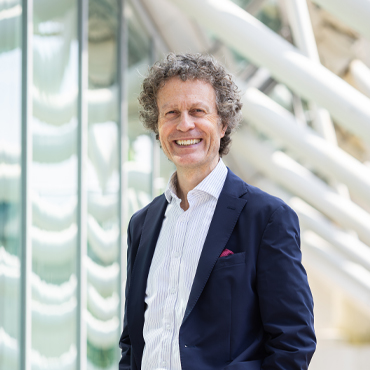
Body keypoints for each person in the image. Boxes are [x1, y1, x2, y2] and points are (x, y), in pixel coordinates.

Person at [119, 53, 316, 370]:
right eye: (171, 113)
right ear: (157, 125)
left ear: (223, 123)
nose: (185, 124)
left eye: (198, 111)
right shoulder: (142, 224)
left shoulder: (266, 218)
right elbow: (133, 340)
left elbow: (294, 342)